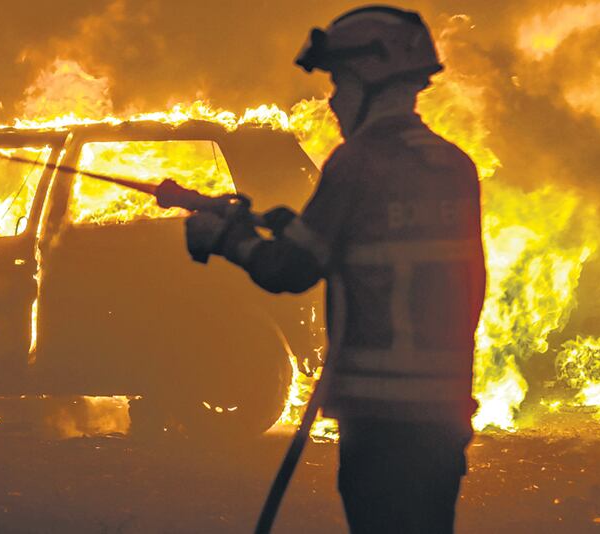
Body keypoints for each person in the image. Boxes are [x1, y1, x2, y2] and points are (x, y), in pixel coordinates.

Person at [184, 5, 486, 533]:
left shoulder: (358, 161)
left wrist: (229, 238)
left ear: (370, 77)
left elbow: (290, 270)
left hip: (380, 419)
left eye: (339, 82)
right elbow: (385, 245)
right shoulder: (452, 164)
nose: (333, 99)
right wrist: (291, 223)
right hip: (444, 415)